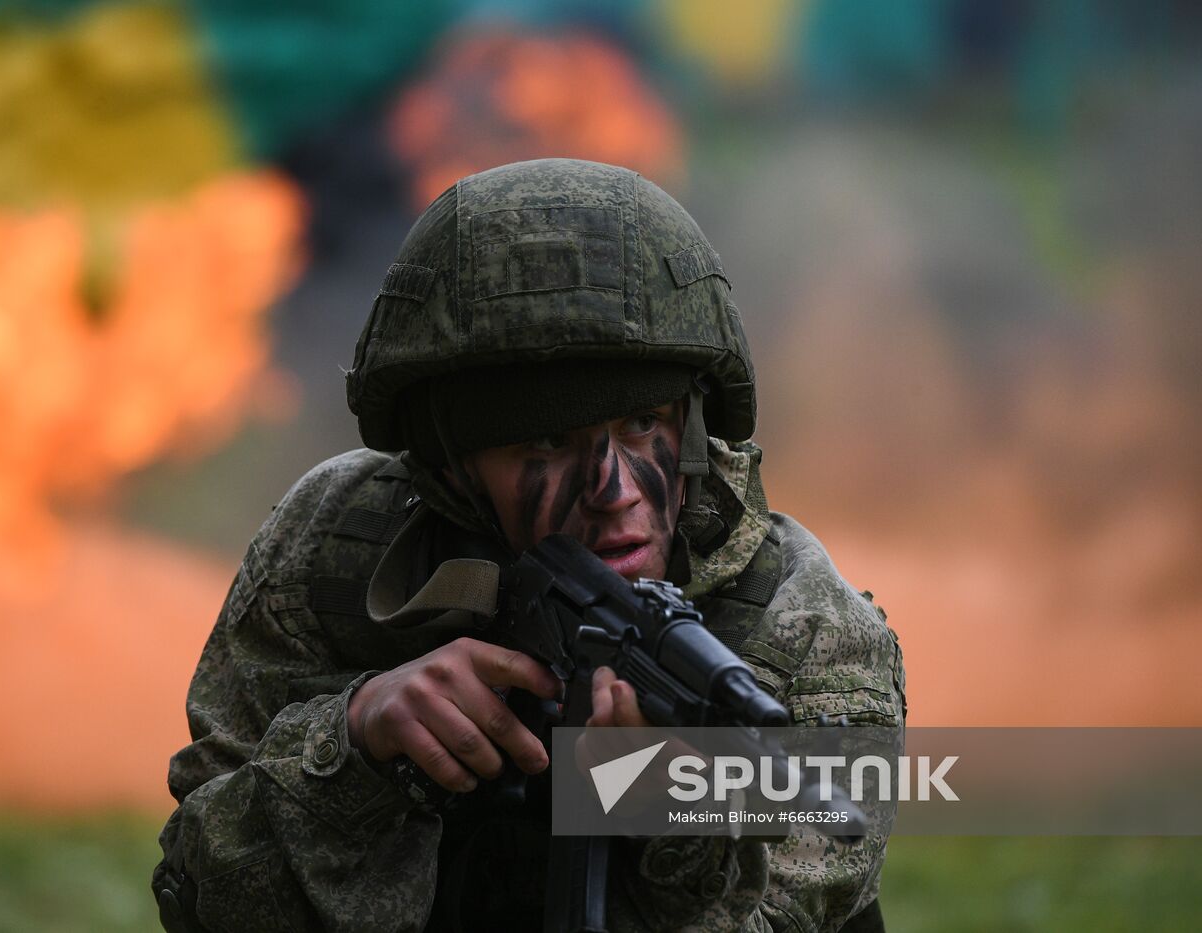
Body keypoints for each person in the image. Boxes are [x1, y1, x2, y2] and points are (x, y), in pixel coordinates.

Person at [152, 158, 906, 933]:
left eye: (643, 423)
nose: (613, 489)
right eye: (546, 440)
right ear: (451, 460)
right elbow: (205, 901)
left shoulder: (804, 633)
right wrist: (355, 745)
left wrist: (678, 822)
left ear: (692, 427)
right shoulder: (342, 547)